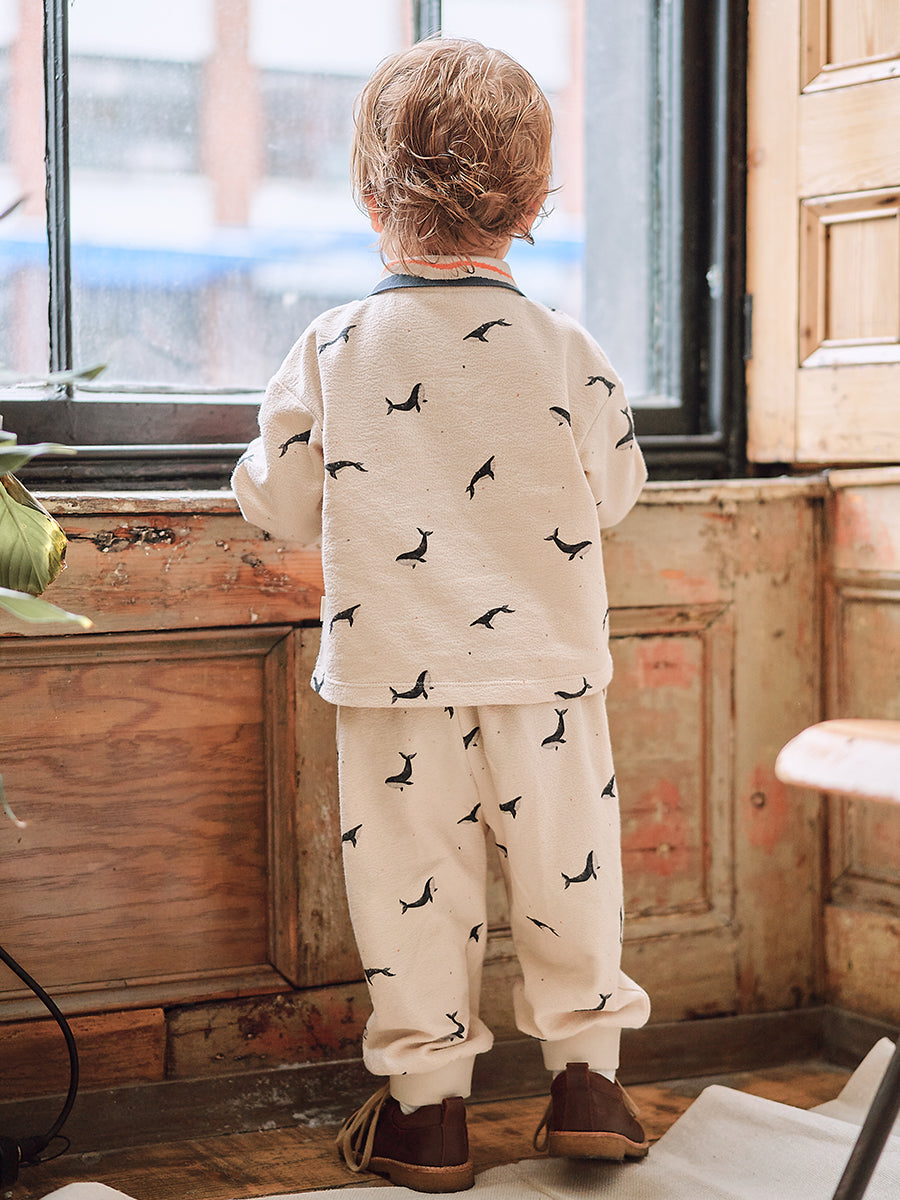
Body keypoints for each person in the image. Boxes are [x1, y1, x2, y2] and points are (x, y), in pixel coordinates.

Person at [232, 36, 651, 1194]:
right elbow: (615, 493)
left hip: (394, 678)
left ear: (371, 197)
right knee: (571, 873)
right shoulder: (567, 350)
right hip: (547, 678)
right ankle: (588, 1081)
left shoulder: (332, 346)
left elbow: (281, 501)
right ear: (534, 202)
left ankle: (427, 1116)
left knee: (410, 886)